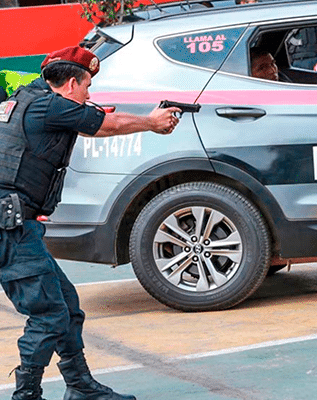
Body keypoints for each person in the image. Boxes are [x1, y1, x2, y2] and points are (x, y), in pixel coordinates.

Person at [0, 46, 180, 400]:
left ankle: (80, 386)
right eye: (86, 86)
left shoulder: (28, 99)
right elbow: (108, 124)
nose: (88, 94)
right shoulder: (51, 106)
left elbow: (91, 124)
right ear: (70, 84)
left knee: (66, 305)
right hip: (12, 229)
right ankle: (26, 395)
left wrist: (106, 116)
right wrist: (151, 122)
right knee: (49, 315)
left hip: (17, 225)